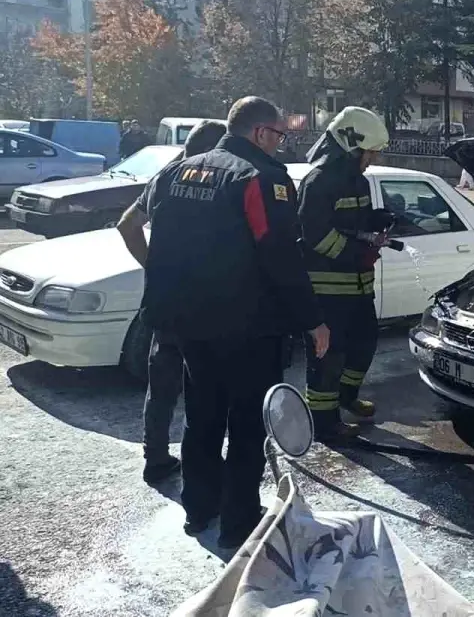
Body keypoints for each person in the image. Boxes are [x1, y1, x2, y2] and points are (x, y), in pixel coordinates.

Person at [121, 96, 330, 548]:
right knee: (247, 424)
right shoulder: (262, 177)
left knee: (202, 416)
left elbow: (144, 233)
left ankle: (199, 509)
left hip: (187, 324)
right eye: (279, 134)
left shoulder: (176, 172)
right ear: (259, 133)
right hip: (246, 327)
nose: (280, 143)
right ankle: (239, 521)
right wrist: (313, 320)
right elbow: (280, 257)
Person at [118, 119, 227, 484]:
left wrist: (154, 265)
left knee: (161, 383)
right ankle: (206, 463)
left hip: (165, 301)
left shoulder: (165, 178)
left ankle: (156, 457)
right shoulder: (224, 179)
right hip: (207, 304)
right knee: (207, 384)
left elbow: (127, 226)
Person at [297, 107, 393, 443]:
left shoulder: (359, 182)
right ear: (351, 147)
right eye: (369, 153)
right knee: (329, 356)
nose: (372, 159)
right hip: (327, 289)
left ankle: (347, 397)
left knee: (364, 344)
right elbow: (315, 235)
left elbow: (355, 225)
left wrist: (377, 221)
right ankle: (324, 423)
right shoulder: (318, 182)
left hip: (358, 285)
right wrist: (358, 254)